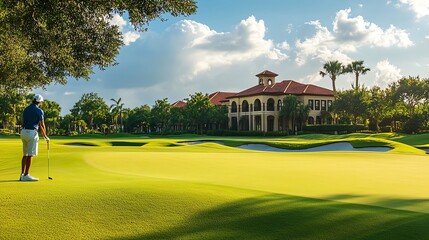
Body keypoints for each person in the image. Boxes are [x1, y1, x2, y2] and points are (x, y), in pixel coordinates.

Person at [20, 94, 49, 181]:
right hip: (32, 132)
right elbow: (42, 125)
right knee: (30, 154)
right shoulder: (39, 111)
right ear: (39, 102)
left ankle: (22, 174)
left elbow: (23, 121)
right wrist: (45, 136)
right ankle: (26, 175)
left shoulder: (26, 109)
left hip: (24, 132)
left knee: (25, 154)